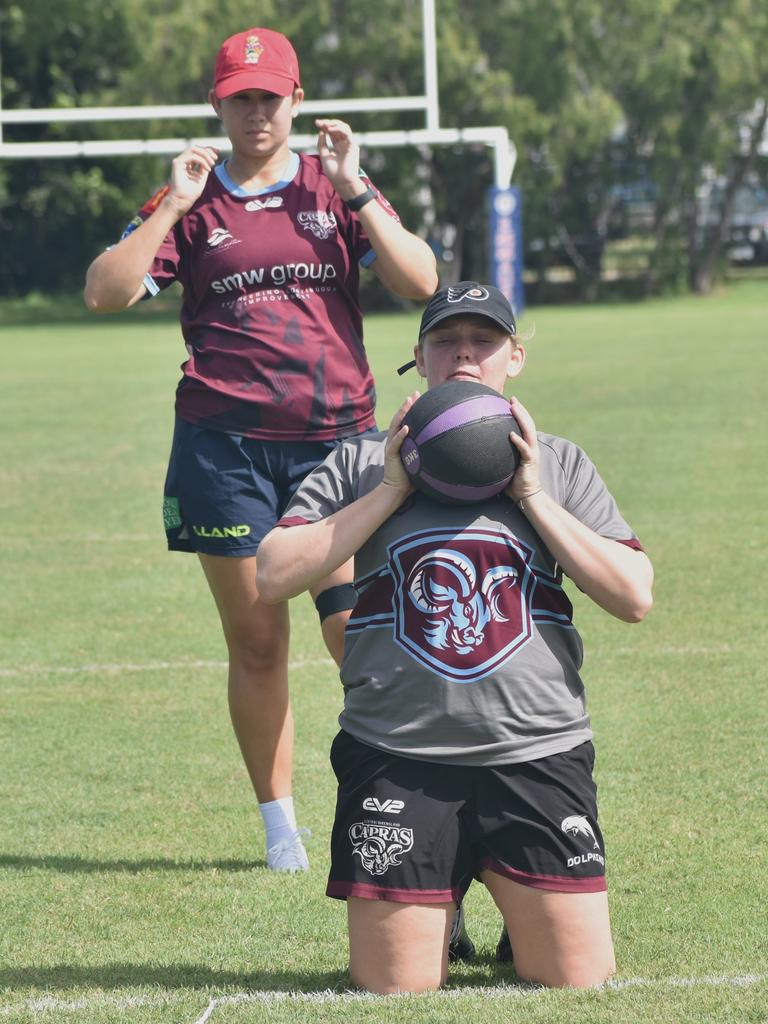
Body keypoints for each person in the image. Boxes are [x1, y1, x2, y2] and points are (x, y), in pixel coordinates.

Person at [83, 27, 437, 873]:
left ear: (296, 102)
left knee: (360, 633)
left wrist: (356, 190)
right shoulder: (192, 197)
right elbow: (105, 291)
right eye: (240, 97)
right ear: (218, 104)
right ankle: (281, 828)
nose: (256, 112)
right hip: (224, 449)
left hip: (338, 447)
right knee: (257, 642)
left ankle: (393, 797)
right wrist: (169, 204)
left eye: (270, 97)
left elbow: (421, 282)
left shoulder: (332, 184)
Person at [255, 281, 654, 992]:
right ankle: (444, 898)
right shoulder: (358, 462)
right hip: (399, 757)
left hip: (536, 753)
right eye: (446, 340)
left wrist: (531, 494)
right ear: (419, 357)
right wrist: (390, 491)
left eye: (484, 341)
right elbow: (274, 573)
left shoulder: (559, 462)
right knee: (397, 990)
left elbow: (633, 596)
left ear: (515, 357)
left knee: (576, 980)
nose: (464, 353)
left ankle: (506, 902)